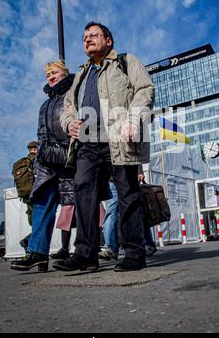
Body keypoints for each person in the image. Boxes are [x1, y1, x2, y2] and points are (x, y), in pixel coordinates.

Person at [53, 21, 154, 272]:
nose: (87, 39)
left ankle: (134, 253)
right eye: (84, 36)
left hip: (119, 140)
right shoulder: (80, 75)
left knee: (127, 195)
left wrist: (133, 119)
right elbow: (67, 107)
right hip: (87, 144)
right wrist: (69, 124)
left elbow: (145, 89)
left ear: (108, 41)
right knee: (84, 196)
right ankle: (86, 254)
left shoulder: (125, 62)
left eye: (93, 35)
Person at [10, 60, 75, 271]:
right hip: (48, 163)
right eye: (48, 74)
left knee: (81, 206)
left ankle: (85, 252)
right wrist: (41, 157)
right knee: (42, 204)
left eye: (55, 72)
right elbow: (41, 134)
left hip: (69, 160)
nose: (51, 76)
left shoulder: (74, 93)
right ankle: (37, 253)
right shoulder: (46, 104)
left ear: (65, 73)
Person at [19, 141, 38, 252]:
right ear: (35, 149)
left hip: (27, 197)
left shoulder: (24, 163)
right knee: (40, 224)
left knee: (35, 224)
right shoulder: (35, 160)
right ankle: (28, 242)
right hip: (36, 196)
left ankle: (30, 248)